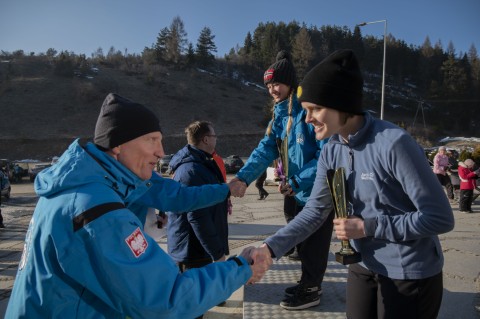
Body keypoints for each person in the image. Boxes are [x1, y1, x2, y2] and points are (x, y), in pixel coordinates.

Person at [5, 93, 271, 319]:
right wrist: (240, 268)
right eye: (152, 140)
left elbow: (176, 195)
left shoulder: (93, 181)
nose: (160, 151)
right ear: (118, 145)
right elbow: (165, 298)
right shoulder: (96, 208)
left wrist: (224, 189)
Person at [249, 49, 455, 318]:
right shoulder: (333, 149)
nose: (308, 119)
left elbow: (440, 218)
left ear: (340, 104)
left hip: (409, 271)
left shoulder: (394, 143)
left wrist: (369, 227)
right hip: (364, 262)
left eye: (315, 109)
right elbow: (314, 211)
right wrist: (270, 248)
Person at [230, 50, 331, 310]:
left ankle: (311, 288)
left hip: (319, 191)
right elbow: (266, 149)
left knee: (314, 246)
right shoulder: (280, 115)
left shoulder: (307, 112)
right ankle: (307, 282)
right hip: (298, 191)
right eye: (269, 85)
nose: (273, 89)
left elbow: (326, 156)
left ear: (291, 83)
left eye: (277, 83)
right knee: (304, 242)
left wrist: (297, 180)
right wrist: (243, 177)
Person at [166, 121, 230, 318]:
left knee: (196, 303)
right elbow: (198, 217)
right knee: (192, 307)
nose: (216, 139)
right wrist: (217, 253)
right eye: (214, 136)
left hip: (195, 248)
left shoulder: (201, 163)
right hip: (193, 251)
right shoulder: (192, 171)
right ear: (205, 139)